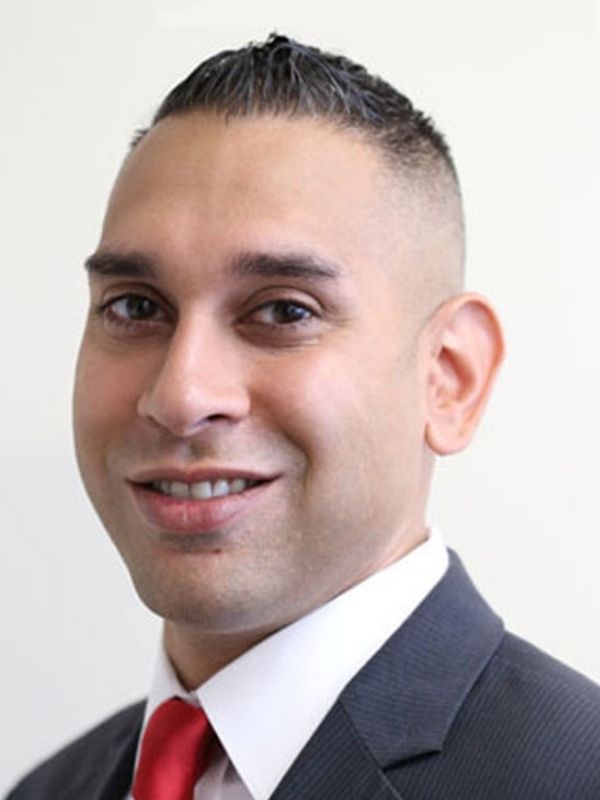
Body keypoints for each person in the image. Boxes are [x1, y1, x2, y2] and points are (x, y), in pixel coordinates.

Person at [6, 33, 600, 800]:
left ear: (449, 378)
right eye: (136, 308)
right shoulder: (50, 789)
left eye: (284, 310)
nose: (180, 396)